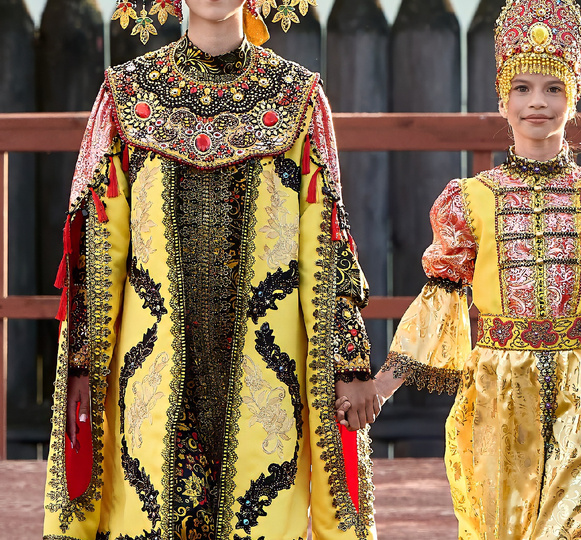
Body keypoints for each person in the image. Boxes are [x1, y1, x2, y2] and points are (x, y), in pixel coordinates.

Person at [42, 1, 380, 538]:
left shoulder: (298, 98)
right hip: (152, 373)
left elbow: (329, 245)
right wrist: (81, 363)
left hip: (267, 378)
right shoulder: (128, 95)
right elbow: (95, 249)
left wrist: (350, 364)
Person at [371, 0, 581, 537]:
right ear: (502, 97)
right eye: (523, 88)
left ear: (574, 97)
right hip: (496, 383)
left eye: (553, 88)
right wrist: (380, 387)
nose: (537, 103)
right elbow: (441, 298)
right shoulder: (470, 200)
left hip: (580, 384)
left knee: (571, 524)